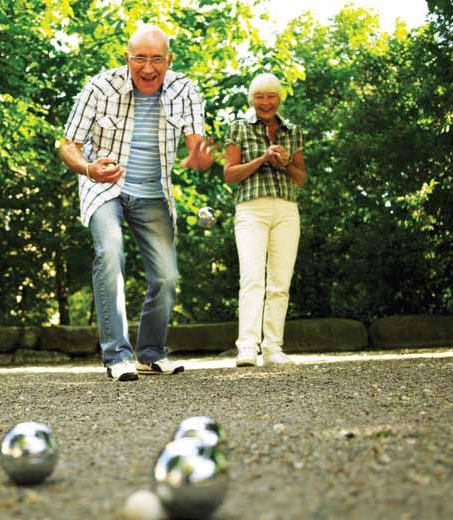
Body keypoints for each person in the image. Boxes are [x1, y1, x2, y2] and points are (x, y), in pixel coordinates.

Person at [59, 25, 216, 381]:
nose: (148, 68)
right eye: (140, 59)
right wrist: (88, 168)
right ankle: (117, 355)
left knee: (167, 275)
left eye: (156, 59)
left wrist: (198, 154)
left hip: (153, 191)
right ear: (127, 58)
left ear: (169, 60)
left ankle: (150, 354)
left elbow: (195, 140)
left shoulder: (184, 89)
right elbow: (68, 145)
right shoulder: (100, 87)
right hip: (105, 187)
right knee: (111, 250)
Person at [223, 72, 307, 367]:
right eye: (259, 96)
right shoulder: (239, 128)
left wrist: (283, 163)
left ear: (279, 98)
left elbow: (301, 178)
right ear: (252, 99)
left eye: (271, 96)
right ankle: (247, 346)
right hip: (251, 210)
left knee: (280, 282)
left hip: (286, 209)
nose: (265, 102)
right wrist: (262, 159)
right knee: (252, 278)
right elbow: (230, 174)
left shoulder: (292, 131)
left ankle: (273, 347)